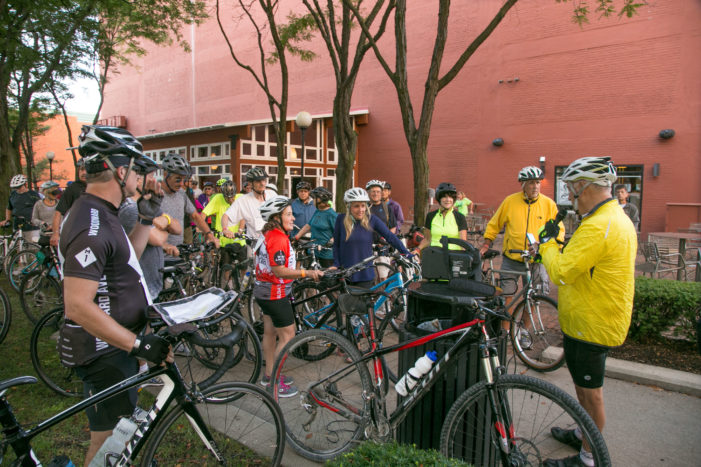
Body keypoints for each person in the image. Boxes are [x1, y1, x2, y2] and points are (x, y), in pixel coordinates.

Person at [57, 125, 172, 465]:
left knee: (116, 440)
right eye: (137, 170)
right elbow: (77, 305)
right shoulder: (89, 223)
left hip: (115, 347)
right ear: (121, 171)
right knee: (108, 444)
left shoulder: (102, 213)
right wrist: (136, 345)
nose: (140, 178)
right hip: (104, 352)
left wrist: (147, 219)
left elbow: (126, 261)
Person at [536, 157, 636, 467]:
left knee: (590, 395)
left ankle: (589, 458)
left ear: (586, 187)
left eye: (570, 189)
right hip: (587, 319)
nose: (569, 195)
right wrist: (561, 240)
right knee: (582, 387)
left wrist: (547, 244)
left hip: (593, 323)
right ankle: (584, 431)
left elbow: (562, 272)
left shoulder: (601, 225)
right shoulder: (603, 218)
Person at [254, 196, 323, 396]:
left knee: (270, 333)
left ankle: (268, 375)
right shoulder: (278, 237)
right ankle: (274, 381)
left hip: (263, 290)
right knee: (288, 335)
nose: (293, 218)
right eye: (289, 214)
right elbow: (279, 271)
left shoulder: (267, 233)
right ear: (277, 217)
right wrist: (307, 273)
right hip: (275, 293)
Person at [480, 166, 563, 306]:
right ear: (523, 184)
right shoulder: (510, 201)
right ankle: (506, 328)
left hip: (536, 258)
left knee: (534, 298)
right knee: (507, 296)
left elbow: (558, 229)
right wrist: (486, 244)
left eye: (538, 182)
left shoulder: (549, 204)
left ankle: (523, 328)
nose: (535, 186)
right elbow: (494, 224)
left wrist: (553, 246)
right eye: (531, 182)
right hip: (512, 257)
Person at [118, 157, 181, 300]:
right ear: (138, 179)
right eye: (151, 176)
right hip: (140, 283)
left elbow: (177, 229)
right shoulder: (131, 208)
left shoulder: (145, 203)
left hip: (151, 280)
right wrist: (162, 227)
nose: (154, 181)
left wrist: (166, 220)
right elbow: (158, 239)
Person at [332, 187, 409, 287]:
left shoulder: (372, 219)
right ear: (348, 206)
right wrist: (336, 264)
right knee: (346, 302)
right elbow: (336, 245)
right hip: (345, 273)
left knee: (365, 302)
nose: (361, 210)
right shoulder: (340, 219)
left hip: (365, 274)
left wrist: (406, 252)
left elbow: (390, 236)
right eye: (356, 206)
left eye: (363, 206)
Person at [160, 152, 218, 260]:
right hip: (159, 258)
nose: (182, 184)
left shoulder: (181, 194)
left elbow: (195, 215)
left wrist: (209, 234)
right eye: (178, 179)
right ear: (165, 174)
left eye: (184, 180)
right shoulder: (156, 195)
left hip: (178, 255)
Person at [205, 180, 247, 277]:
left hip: (239, 240)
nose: (230, 200)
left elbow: (243, 216)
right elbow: (204, 215)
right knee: (226, 268)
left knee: (244, 267)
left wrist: (240, 230)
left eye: (232, 197)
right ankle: (227, 286)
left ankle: (243, 287)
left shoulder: (241, 198)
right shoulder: (217, 198)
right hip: (224, 241)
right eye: (227, 198)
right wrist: (206, 232)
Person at [222, 167, 277, 240]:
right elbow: (226, 216)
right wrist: (225, 229)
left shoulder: (272, 194)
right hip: (255, 242)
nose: (262, 183)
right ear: (250, 184)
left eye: (264, 180)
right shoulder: (243, 200)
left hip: (275, 240)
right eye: (258, 181)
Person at [413, 182, 468, 254]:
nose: (448, 199)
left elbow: (463, 242)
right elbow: (427, 239)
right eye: (444, 197)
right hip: (435, 255)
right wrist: (417, 249)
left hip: (454, 256)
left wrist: (466, 258)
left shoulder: (460, 217)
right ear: (439, 199)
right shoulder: (431, 216)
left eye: (451, 197)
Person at [293, 187, 338, 268]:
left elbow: (340, 232)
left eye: (314, 199)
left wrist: (332, 240)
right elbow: (308, 226)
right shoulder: (317, 211)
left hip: (326, 255)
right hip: (313, 252)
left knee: (327, 278)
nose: (312, 200)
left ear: (321, 200)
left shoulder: (332, 215)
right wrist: (296, 237)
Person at [50, 158, 87, 247]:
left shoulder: (100, 188)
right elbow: (58, 212)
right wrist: (55, 234)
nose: (83, 172)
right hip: (76, 234)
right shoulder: (72, 189)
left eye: (86, 169)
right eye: (81, 169)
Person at [2, 174, 41, 242]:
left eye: (19, 187)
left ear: (25, 184)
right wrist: (7, 219)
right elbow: (9, 207)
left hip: (31, 225)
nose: (18, 189)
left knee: (32, 246)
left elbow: (40, 208)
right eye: (16, 188)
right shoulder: (13, 194)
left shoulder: (33, 195)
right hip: (17, 224)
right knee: (18, 245)